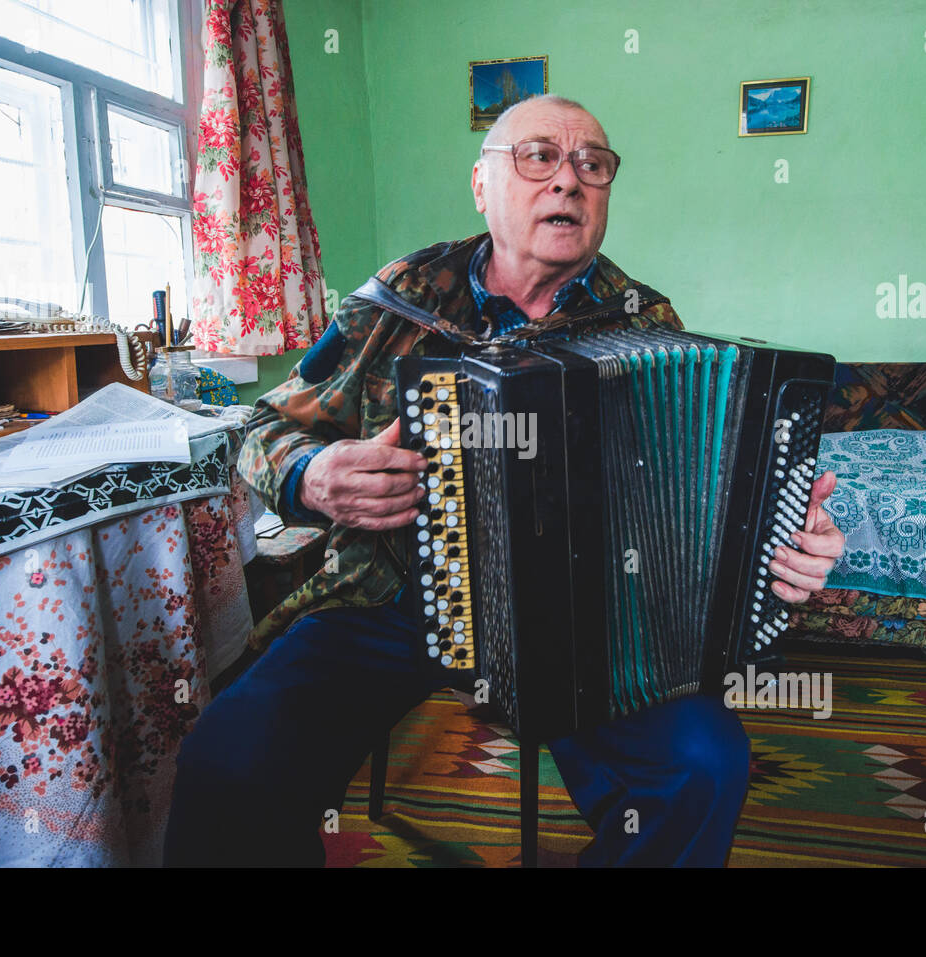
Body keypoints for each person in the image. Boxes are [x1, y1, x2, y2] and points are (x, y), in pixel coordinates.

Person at [164, 94, 845, 867]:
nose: (568, 181)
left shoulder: (645, 321)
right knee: (230, 762)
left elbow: (696, 506)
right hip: (391, 596)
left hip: (579, 621)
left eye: (592, 164)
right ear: (482, 185)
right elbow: (263, 426)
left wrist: (777, 546)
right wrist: (310, 473)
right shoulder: (400, 297)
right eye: (538, 157)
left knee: (703, 765)